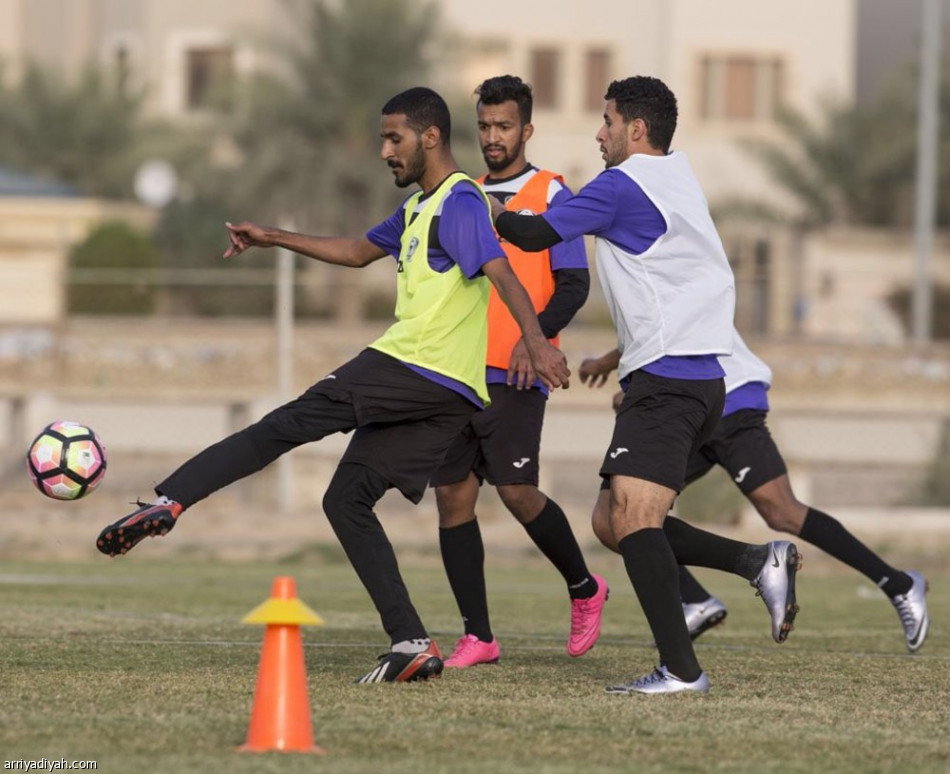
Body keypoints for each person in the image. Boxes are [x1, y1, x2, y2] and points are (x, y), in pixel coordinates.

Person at [94, 86, 570, 684]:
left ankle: (170, 500)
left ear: (429, 138)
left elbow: (500, 270)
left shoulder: (461, 202)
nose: (383, 151)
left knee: (282, 425)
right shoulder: (420, 208)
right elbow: (354, 251)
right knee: (343, 500)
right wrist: (274, 236)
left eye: (393, 138)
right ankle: (412, 642)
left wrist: (533, 341)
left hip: (414, 367)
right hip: (444, 394)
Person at [493, 75, 801, 695]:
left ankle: (682, 671)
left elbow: (531, 234)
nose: (599, 133)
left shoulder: (621, 185)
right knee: (614, 521)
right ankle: (754, 562)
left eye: (606, 121)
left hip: (671, 380)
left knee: (633, 518)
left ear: (636, 129)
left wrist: (476, 205)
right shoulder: (677, 178)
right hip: (692, 377)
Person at [580, 329, 931, 652]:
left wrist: (612, 370)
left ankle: (898, 584)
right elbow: (643, 332)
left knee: (779, 510)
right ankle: (695, 599)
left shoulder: (650, 264)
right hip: (703, 399)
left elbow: (665, 327)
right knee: (622, 513)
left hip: (722, 396)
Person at [431, 75, 607, 669]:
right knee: (452, 497)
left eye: (503, 126)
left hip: (518, 373)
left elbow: (575, 285)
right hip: (458, 371)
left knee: (516, 492)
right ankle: (477, 636)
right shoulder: (467, 194)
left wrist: (536, 344)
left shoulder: (552, 193)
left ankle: (585, 587)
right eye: (483, 126)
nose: (492, 137)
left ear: (526, 130)